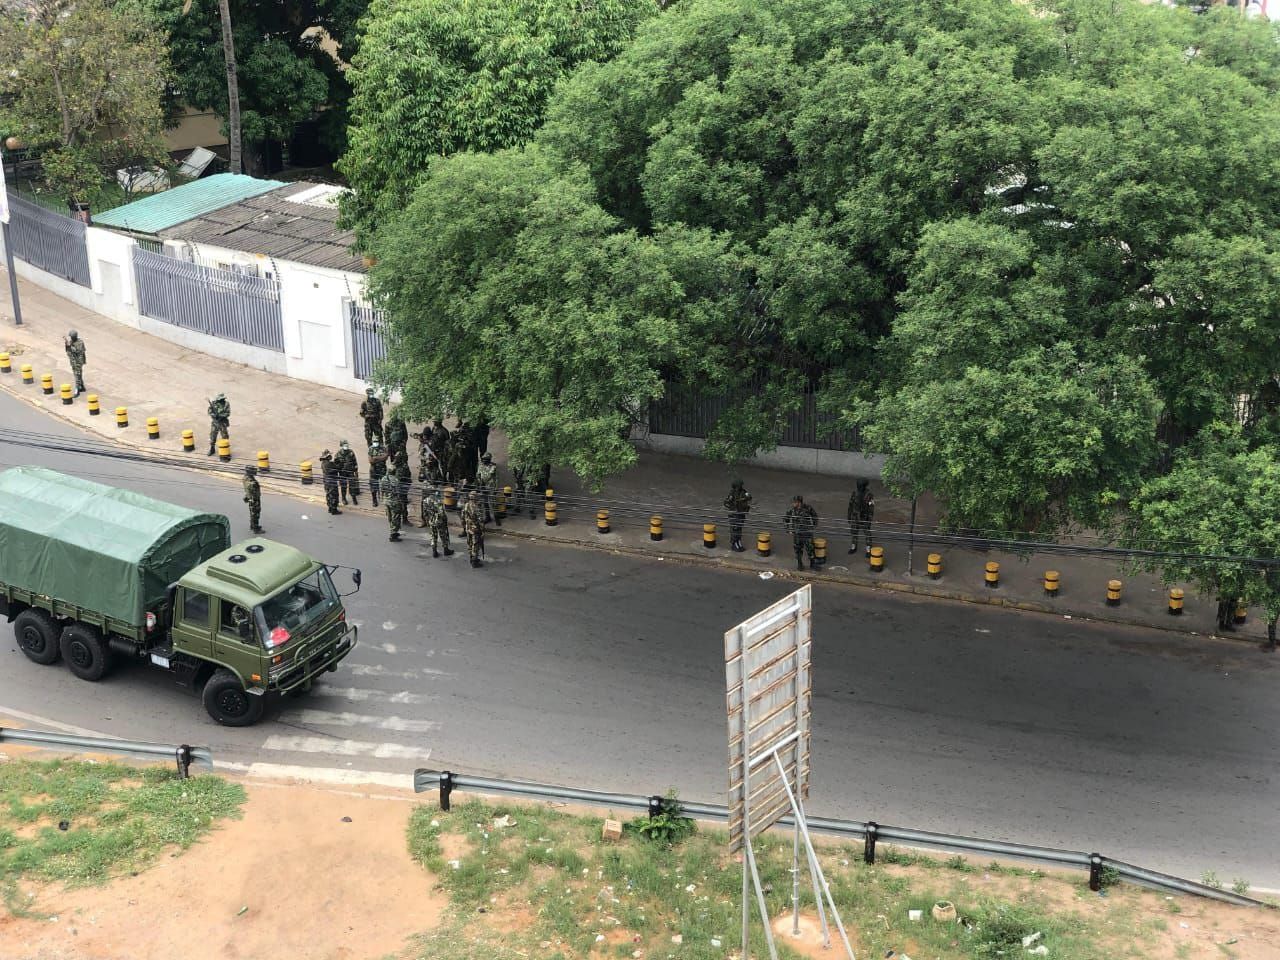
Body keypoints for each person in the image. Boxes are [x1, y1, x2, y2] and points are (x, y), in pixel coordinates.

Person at [784, 494, 819, 570]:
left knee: (810, 549)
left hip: (807, 533)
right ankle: (800, 564)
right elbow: (785, 519)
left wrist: (813, 526)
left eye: (794, 502)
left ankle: (812, 564)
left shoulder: (807, 508)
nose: (793, 503)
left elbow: (814, 516)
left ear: (799, 502)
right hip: (797, 534)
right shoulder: (792, 510)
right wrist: (788, 529)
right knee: (798, 549)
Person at [422, 488, 454, 558]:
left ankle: (434, 551)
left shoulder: (425, 500)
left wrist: (427, 520)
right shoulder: (438, 501)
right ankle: (446, 550)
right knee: (443, 535)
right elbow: (442, 513)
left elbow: (425, 513)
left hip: (431, 520)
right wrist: (445, 519)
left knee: (433, 536)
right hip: (439, 521)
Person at [848, 478, 875, 556]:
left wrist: (869, 520)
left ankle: (868, 549)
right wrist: (849, 516)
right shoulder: (854, 493)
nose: (858, 486)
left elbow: (871, 508)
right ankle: (853, 547)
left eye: (859, 485)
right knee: (854, 532)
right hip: (855, 517)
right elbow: (850, 505)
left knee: (867, 533)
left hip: (865, 518)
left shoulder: (869, 495)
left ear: (863, 486)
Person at [723, 479, 752, 552]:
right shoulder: (732, 493)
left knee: (739, 528)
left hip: (741, 512)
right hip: (734, 513)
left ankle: (738, 541)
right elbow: (726, 502)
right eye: (739, 485)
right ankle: (734, 543)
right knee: (735, 529)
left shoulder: (743, 491)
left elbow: (749, 497)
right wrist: (732, 502)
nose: (741, 487)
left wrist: (746, 498)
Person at [474, 451, 499, 525]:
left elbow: (496, 478)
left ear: (489, 459)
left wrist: (496, 488)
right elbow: (478, 475)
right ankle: (488, 517)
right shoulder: (480, 466)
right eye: (483, 459)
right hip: (483, 487)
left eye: (486, 459)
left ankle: (496, 518)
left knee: (493, 503)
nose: (484, 460)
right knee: (485, 503)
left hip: (491, 487)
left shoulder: (493, 466)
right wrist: (479, 484)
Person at [461, 491, 485, 568]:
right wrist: (483, 531)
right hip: (475, 529)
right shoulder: (476, 507)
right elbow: (480, 520)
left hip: (468, 528)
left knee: (470, 543)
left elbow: (462, 517)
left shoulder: (466, 505)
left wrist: (464, 526)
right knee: (476, 544)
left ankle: (471, 558)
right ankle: (474, 562)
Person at [334, 440, 361, 506]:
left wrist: (356, 471)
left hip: (350, 471)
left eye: (347, 445)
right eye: (345, 445)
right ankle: (344, 498)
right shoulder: (338, 454)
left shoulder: (351, 452)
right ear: (342, 445)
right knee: (343, 486)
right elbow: (335, 465)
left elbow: (355, 462)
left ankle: (354, 498)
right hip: (342, 473)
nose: (346, 446)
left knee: (352, 485)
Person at [379, 471, 403, 542]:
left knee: (390, 516)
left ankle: (394, 532)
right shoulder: (396, 479)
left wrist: (382, 498)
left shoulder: (383, 478)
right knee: (395, 518)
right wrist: (400, 501)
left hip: (386, 501)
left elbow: (382, 490)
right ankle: (393, 535)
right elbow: (398, 492)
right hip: (394, 502)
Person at [64, 330, 87, 396]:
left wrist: (70, 345)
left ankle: (77, 390)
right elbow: (68, 350)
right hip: (73, 361)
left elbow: (78, 351)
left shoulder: (80, 342)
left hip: (78, 361)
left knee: (77, 375)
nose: (71, 338)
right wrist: (66, 343)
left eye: (72, 337)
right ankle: (82, 387)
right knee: (78, 373)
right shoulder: (71, 341)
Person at [319, 449, 342, 515]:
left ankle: (330, 508)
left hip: (326, 482)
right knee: (334, 495)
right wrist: (339, 464)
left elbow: (333, 466)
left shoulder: (323, 463)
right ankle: (334, 510)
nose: (330, 456)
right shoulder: (328, 464)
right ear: (327, 456)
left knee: (328, 494)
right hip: (331, 482)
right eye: (329, 455)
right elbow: (337, 468)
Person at [242, 464, 263, 534]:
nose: (255, 471)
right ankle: (256, 528)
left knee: (252, 512)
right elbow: (252, 489)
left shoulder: (245, 478)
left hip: (250, 497)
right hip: (254, 499)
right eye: (253, 470)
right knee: (255, 513)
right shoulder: (251, 482)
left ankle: (252, 525)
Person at [368, 440, 388, 508]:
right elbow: (370, 460)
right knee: (373, 486)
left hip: (382, 469)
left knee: (385, 484)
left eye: (376, 441)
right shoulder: (371, 448)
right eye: (374, 441)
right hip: (374, 470)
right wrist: (381, 458)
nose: (375, 443)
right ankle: (374, 500)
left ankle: (385, 499)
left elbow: (386, 457)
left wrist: (376, 458)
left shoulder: (383, 448)